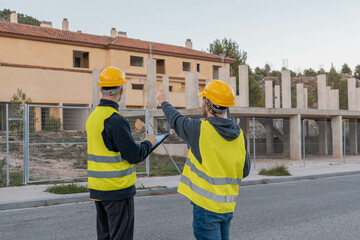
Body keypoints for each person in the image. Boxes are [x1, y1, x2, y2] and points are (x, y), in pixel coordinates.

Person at [158, 80, 250, 240]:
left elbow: (176, 120)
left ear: (208, 104)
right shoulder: (241, 136)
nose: (202, 102)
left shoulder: (199, 130)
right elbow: (245, 170)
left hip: (207, 210)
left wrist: (164, 102)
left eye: (203, 99)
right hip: (227, 208)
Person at [86, 66, 156, 240]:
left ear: (101, 88)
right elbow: (134, 155)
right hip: (117, 190)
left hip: (99, 190)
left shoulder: (93, 116)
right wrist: (150, 142)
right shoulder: (115, 120)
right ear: (121, 90)